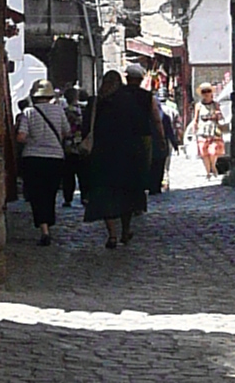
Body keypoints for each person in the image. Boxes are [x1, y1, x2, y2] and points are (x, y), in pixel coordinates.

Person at [85, 67, 157, 248]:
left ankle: (112, 235)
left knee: (106, 196)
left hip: (103, 157)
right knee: (127, 196)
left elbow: (86, 128)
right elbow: (141, 126)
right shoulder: (129, 101)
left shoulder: (96, 102)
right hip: (128, 156)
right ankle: (125, 230)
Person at [15, 78, 71, 245]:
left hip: (33, 158)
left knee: (36, 195)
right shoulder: (59, 111)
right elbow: (67, 132)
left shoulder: (29, 112)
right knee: (50, 193)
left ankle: (44, 228)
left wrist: (34, 139)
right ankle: (49, 223)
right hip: (55, 158)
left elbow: (21, 137)